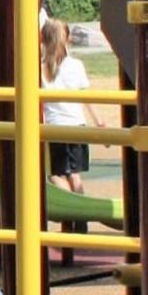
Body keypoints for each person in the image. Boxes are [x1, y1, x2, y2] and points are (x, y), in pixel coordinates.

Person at [41, 18, 105, 195]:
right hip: (77, 125)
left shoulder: (40, 68)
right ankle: (80, 218)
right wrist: (99, 122)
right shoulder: (76, 65)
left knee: (54, 175)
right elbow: (87, 98)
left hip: (54, 128)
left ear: (42, 39)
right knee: (74, 175)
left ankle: (72, 212)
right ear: (67, 39)